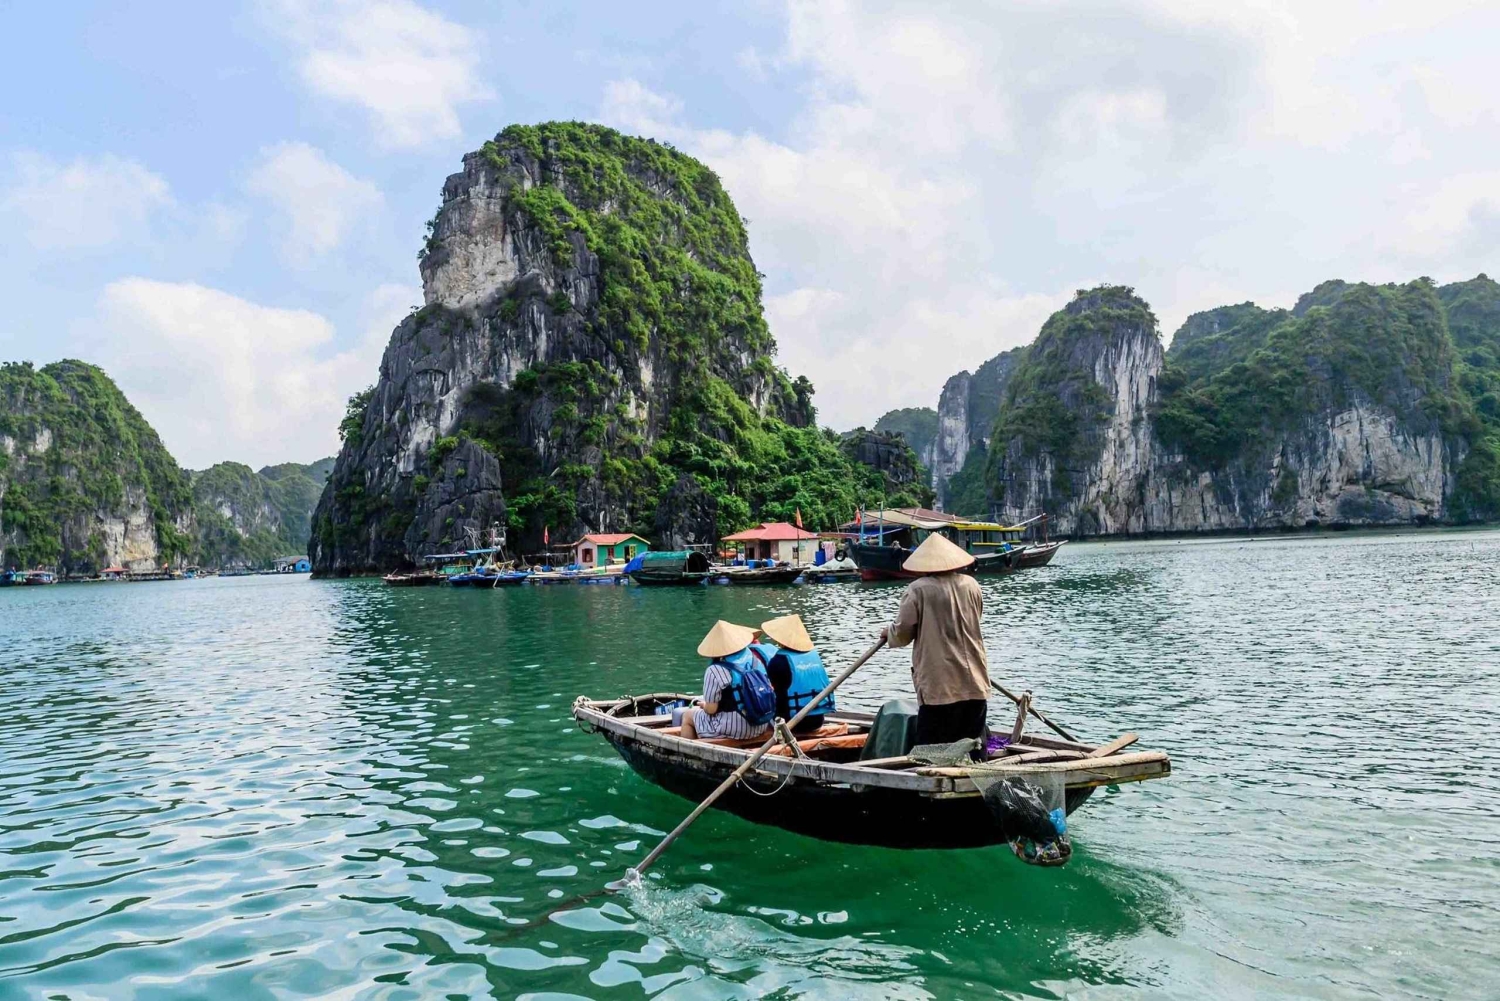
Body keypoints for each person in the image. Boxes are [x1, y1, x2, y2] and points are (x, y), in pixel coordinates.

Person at [881, 533, 991, 745]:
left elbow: (903, 633)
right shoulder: (972, 585)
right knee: (973, 747)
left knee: (931, 749)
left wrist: (889, 632)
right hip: (974, 681)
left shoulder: (918, 590)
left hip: (939, 686)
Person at [681, 620, 772, 741]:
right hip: (761, 723)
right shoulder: (755, 660)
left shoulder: (715, 669)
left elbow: (711, 709)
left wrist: (704, 706)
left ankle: (688, 755)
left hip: (734, 729)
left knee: (687, 716)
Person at [755, 614, 834, 734]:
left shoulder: (779, 660)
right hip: (818, 720)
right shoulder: (814, 656)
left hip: (791, 723)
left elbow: (770, 692)